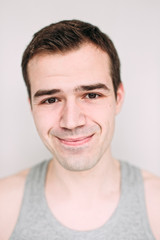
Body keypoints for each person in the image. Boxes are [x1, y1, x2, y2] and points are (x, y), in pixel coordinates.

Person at [0, 19, 160, 240]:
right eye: (51, 99)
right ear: (31, 107)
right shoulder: (4, 207)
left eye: (91, 95)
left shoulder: (156, 206)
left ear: (118, 98)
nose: (71, 121)